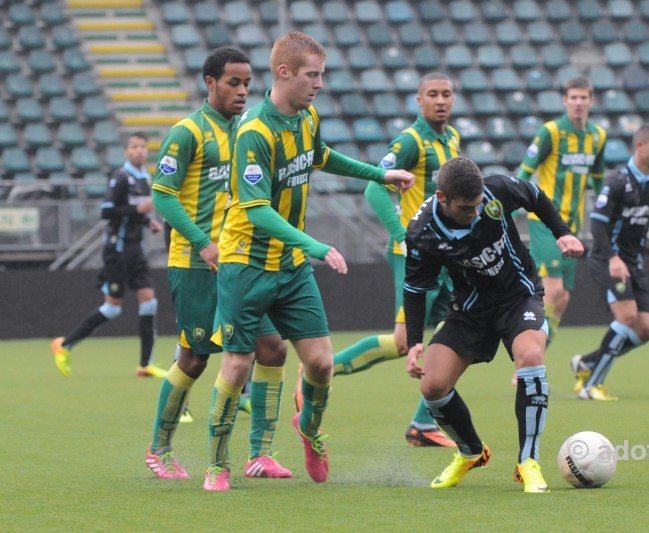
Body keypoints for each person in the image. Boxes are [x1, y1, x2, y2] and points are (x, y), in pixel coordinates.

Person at [205, 31, 414, 490]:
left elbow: (321, 156)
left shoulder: (307, 116)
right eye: (312, 75)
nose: (319, 84)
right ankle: (219, 462)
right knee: (238, 365)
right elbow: (256, 210)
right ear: (284, 73)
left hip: (291, 267)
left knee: (320, 363)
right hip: (246, 264)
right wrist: (315, 245)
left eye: (321, 75)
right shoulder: (254, 131)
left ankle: (310, 430)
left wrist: (381, 173)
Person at [144, 46, 292, 481]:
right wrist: (201, 242)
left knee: (273, 347)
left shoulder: (247, 130)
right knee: (194, 358)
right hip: (194, 263)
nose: (243, 91)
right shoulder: (187, 132)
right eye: (234, 82)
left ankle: (259, 455)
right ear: (210, 83)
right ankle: (159, 450)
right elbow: (162, 195)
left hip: (238, 264)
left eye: (248, 82)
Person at [403, 157, 583, 493]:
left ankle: (528, 462)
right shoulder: (422, 233)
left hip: (519, 296)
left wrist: (562, 233)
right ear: (442, 198)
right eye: (466, 208)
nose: (476, 212)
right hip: (470, 308)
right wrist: (415, 340)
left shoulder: (496, 190)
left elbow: (535, 195)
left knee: (530, 357)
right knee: (432, 386)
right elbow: (414, 289)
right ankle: (471, 451)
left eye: (478, 204)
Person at [319, 72, 460, 448]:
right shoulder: (411, 141)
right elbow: (374, 189)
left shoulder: (451, 138)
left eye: (446, 94)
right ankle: (318, 371)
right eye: (433, 94)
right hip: (414, 256)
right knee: (404, 342)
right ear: (419, 101)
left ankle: (423, 424)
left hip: (443, 256)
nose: (441, 100)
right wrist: (405, 238)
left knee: (458, 332)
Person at [51, 132, 164, 378]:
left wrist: (147, 222)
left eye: (143, 147)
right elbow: (107, 211)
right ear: (126, 151)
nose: (139, 151)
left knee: (150, 303)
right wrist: (138, 210)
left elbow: (135, 212)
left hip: (137, 251)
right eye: (134, 146)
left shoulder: (146, 178)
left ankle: (145, 364)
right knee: (112, 309)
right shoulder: (120, 177)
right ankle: (65, 345)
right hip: (118, 250)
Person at [571, 124, 649, 400]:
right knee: (627, 316)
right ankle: (590, 387)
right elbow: (597, 226)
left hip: (632, 263)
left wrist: (632, 260)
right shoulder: (616, 181)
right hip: (606, 259)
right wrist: (613, 259)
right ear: (640, 146)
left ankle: (587, 363)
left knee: (646, 328)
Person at [517, 76, 607, 348]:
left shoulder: (597, 136)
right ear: (565, 101)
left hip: (573, 224)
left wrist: (606, 216)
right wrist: (506, 212)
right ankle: (527, 354)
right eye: (573, 97)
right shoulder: (551, 132)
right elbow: (524, 173)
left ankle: (536, 352)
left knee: (563, 297)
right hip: (544, 221)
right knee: (552, 291)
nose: (578, 102)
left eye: (583, 97)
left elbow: (599, 179)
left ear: (591, 100)